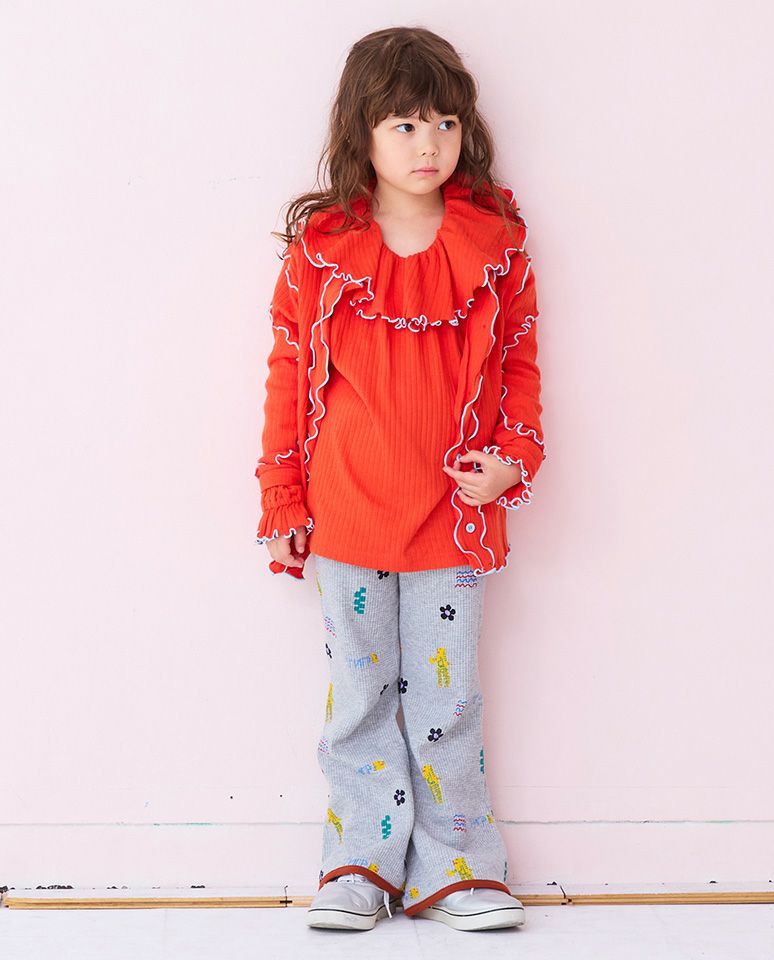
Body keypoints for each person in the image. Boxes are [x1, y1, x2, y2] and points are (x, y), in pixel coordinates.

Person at [253, 26, 546, 933]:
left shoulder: (495, 244)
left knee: (449, 701)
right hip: (347, 514)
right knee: (360, 702)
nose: (429, 144)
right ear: (363, 133)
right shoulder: (322, 251)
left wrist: (513, 458)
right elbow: (288, 374)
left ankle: (459, 868)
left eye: (445, 123)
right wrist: (282, 495)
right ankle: (358, 867)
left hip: (451, 516)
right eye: (406, 125)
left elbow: (520, 364)